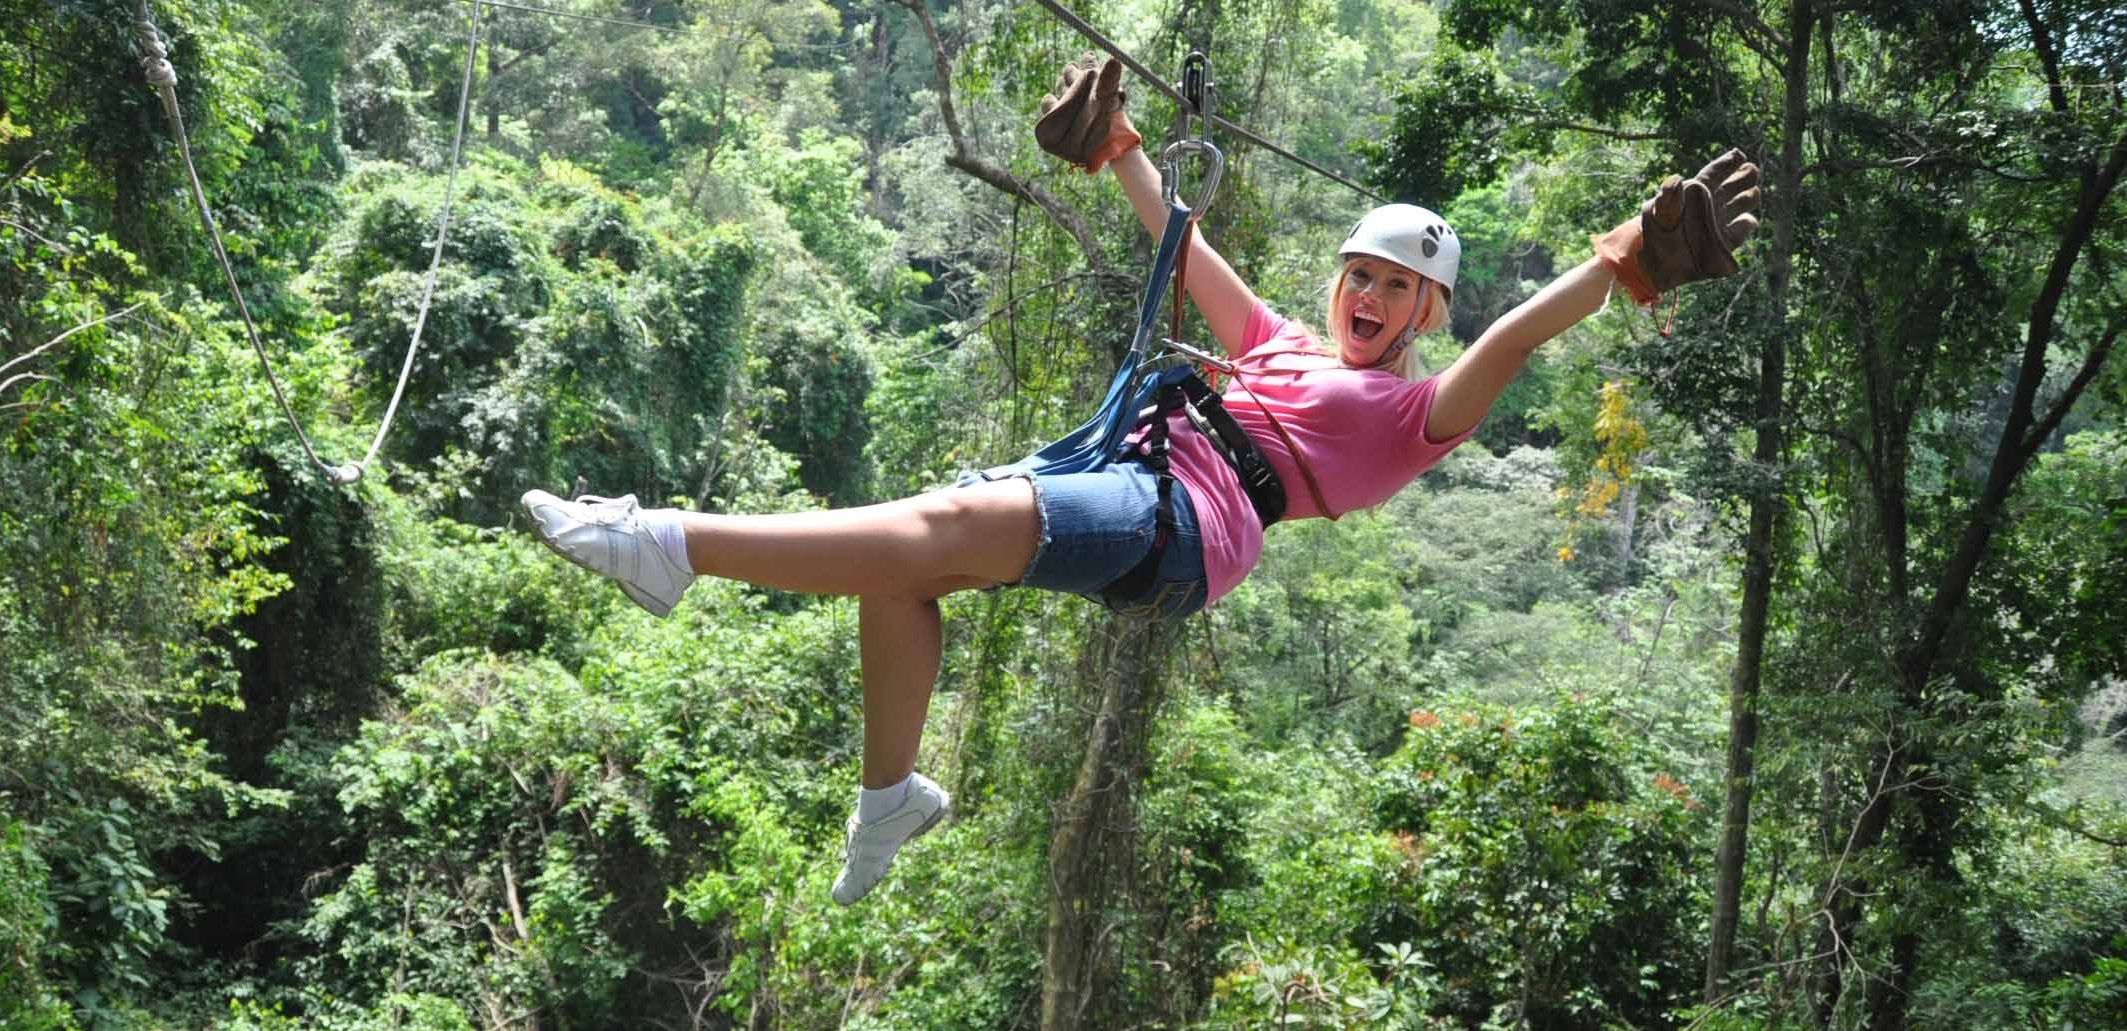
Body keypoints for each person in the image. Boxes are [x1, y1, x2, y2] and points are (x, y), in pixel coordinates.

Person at [519, 55, 1760, 906]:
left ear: (1426, 313)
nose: (1371, 297)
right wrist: (1116, 145)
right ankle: (887, 796)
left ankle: (665, 542)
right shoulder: (1277, 342)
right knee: (899, 571)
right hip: (1123, 466)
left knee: (932, 524)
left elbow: (1515, 338)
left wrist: (1625, 262)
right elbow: (1183, 242)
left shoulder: (1412, 415)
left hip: (1184, 520)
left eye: (1399, 289)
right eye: (1360, 276)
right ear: (1337, 282)